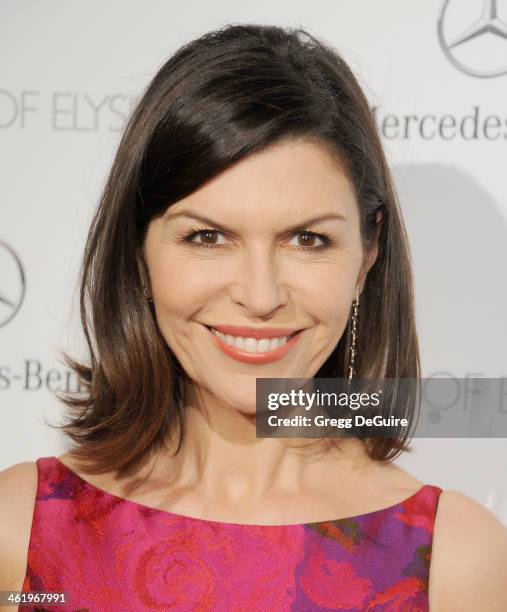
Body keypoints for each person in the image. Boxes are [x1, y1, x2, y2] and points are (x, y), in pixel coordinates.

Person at [1, 23, 506, 612]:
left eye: (309, 240)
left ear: (369, 252)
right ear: (138, 250)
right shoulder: (21, 532)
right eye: (208, 236)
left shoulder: (456, 562)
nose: (260, 295)